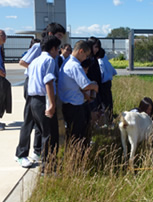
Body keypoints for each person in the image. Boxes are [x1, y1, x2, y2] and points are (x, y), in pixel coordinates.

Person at [15, 22, 65, 167]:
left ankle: (38, 152)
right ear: (51, 36)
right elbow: (24, 63)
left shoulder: (42, 59)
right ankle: (22, 153)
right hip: (38, 91)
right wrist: (51, 103)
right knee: (31, 123)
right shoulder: (41, 50)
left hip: (38, 90)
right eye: (59, 36)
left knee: (41, 127)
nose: (60, 40)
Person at [58, 40, 98, 145]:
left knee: (73, 133)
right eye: (85, 55)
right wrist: (95, 86)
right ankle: (78, 156)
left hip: (68, 103)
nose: (85, 58)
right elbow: (85, 85)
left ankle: (74, 154)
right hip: (74, 105)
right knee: (78, 134)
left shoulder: (66, 62)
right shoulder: (75, 65)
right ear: (80, 51)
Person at [97, 48, 117, 122]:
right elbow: (114, 72)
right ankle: (110, 117)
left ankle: (105, 119)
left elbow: (101, 74)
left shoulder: (99, 62)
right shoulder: (107, 62)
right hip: (109, 83)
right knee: (109, 101)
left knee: (103, 103)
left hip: (102, 84)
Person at [0, 29, 11, 131]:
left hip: (1, 77)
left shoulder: (1, 48)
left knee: (2, 98)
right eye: (2, 35)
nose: (4, 37)